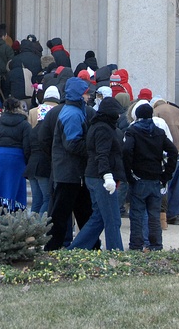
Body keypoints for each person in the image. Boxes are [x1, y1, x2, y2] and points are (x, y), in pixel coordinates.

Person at [69, 97, 126, 251]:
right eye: (117, 113)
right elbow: (102, 154)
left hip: (94, 176)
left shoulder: (99, 126)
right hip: (100, 177)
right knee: (113, 219)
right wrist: (107, 176)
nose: (119, 116)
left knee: (98, 218)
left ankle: (76, 249)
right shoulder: (103, 129)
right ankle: (116, 251)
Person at [44, 76, 92, 251]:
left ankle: (91, 245)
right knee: (63, 214)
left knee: (77, 212)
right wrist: (91, 148)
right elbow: (72, 144)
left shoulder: (73, 110)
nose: (88, 96)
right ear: (79, 95)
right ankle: (52, 248)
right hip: (70, 172)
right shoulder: (73, 113)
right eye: (86, 93)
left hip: (69, 172)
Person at [123, 102, 178, 251]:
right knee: (154, 216)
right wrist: (166, 174)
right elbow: (173, 151)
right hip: (156, 179)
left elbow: (127, 151)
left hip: (139, 179)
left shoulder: (133, 131)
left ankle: (136, 245)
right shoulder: (159, 132)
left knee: (137, 215)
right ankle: (156, 245)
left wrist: (129, 174)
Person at [0, 98, 32, 213]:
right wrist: (26, 162)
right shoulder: (25, 124)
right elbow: (27, 146)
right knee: (16, 188)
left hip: (0, 156)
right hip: (17, 157)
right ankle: (15, 214)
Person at [154, 98, 179, 225]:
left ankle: (162, 214)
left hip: (167, 154)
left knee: (165, 185)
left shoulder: (156, 112)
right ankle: (175, 215)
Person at [26, 86, 60, 215]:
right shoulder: (59, 112)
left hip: (32, 164)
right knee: (46, 199)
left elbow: (27, 147)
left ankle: (30, 229)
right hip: (44, 164)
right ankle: (38, 229)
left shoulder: (33, 113)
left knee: (37, 200)